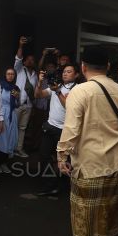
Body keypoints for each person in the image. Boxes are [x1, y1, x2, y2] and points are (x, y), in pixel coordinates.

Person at [55, 46, 118, 236]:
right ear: (108, 67)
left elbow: (71, 130)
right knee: (112, 211)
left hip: (91, 164)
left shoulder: (80, 91)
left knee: (85, 210)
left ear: (82, 66)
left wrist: (62, 157)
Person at [35, 64, 78, 197]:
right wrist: (40, 81)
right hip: (50, 127)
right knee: (44, 156)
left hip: (65, 130)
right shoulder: (56, 86)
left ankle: (68, 187)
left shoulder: (77, 89)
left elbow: (69, 106)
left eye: (69, 72)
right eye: (64, 71)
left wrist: (58, 91)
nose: (65, 74)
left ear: (76, 75)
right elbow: (38, 95)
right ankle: (50, 186)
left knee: (67, 160)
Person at [13, 36, 38, 158]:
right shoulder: (19, 70)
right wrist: (21, 46)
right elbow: (18, 57)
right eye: (28, 59)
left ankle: (19, 149)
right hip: (18, 104)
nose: (30, 61)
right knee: (14, 127)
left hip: (28, 106)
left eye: (32, 60)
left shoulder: (35, 75)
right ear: (24, 61)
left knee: (22, 128)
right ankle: (11, 149)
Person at [0, 68, 20, 173]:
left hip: (12, 115)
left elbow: (17, 105)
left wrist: (17, 98)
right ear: (5, 75)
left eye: (12, 74)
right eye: (8, 74)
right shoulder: (0, 86)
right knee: (1, 139)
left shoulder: (16, 88)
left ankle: (4, 163)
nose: (10, 76)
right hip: (2, 114)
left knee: (9, 139)